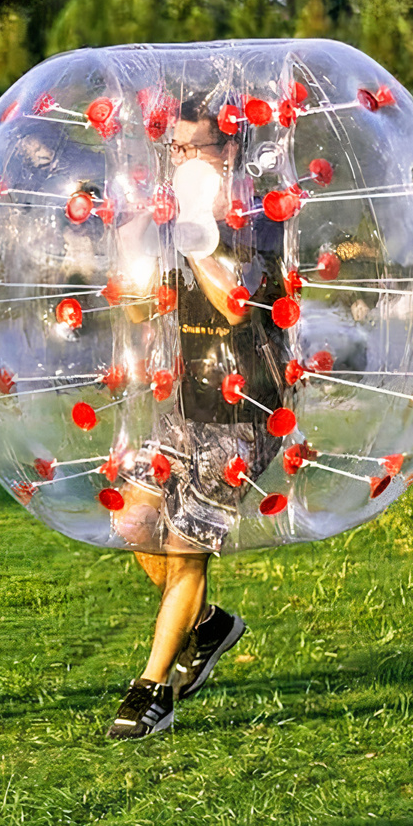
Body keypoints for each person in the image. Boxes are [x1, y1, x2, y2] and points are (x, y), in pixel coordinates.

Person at [106, 94, 288, 740]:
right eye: (174, 148)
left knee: (184, 543)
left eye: (195, 148)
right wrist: (135, 239)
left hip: (245, 407)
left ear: (228, 150)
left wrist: (194, 233)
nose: (181, 160)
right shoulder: (167, 218)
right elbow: (133, 310)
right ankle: (206, 623)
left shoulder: (261, 216)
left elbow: (234, 304)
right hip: (182, 397)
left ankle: (153, 689)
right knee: (132, 520)